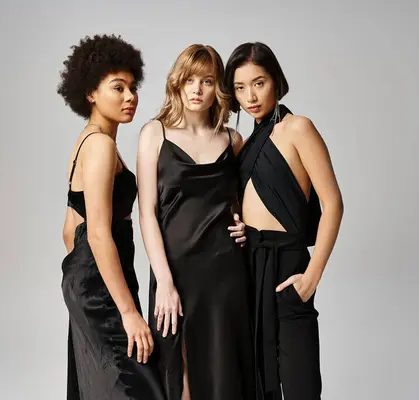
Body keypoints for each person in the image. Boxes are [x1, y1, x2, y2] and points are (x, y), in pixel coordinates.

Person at [225, 42, 344, 400]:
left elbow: (333, 203)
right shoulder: (244, 143)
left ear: (275, 80)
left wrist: (312, 277)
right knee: (255, 383)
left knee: (299, 384)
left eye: (258, 83)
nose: (250, 96)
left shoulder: (298, 128)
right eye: (240, 87)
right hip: (249, 266)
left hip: (288, 266)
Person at [137, 44, 256, 400]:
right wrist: (164, 282)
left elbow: (251, 200)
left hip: (225, 274)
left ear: (216, 87)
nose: (197, 89)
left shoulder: (232, 140)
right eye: (190, 79)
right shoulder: (154, 134)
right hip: (175, 274)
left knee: (224, 373)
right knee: (180, 374)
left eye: (206, 81)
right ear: (178, 82)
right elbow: (147, 213)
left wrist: (247, 226)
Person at [57, 34, 164, 400]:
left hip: (88, 280)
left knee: (101, 384)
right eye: (117, 88)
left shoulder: (86, 140)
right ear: (90, 93)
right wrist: (129, 311)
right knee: (134, 384)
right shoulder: (101, 146)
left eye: (133, 88)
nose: (130, 96)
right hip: (102, 286)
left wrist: (79, 275)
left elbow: (70, 228)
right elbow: (99, 234)